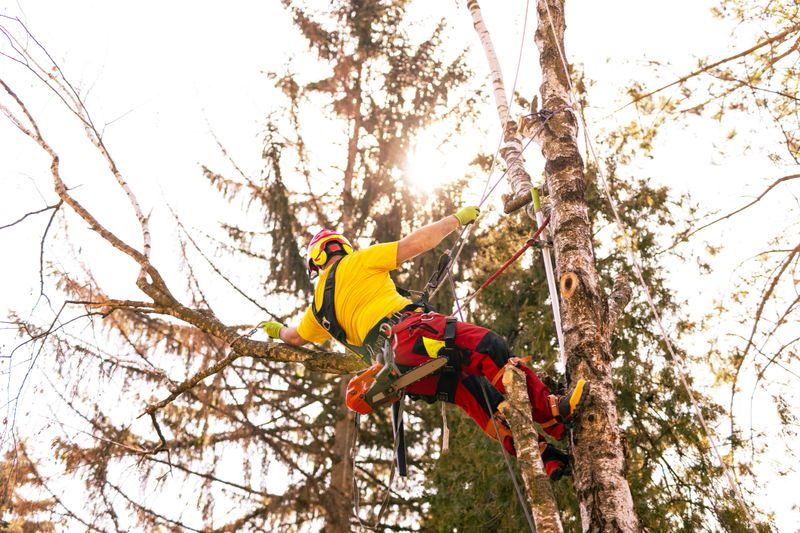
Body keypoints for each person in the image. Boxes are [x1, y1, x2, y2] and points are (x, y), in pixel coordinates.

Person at [262, 207, 589, 480]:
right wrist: (455, 221)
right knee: (490, 348)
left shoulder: (317, 311)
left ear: (316, 262)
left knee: (480, 399)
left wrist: (276, 330)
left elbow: (294, 338)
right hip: (412, 335)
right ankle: (550, 412)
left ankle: (549, 460)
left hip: (403, 374)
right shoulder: (358, 261)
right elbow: (413, 244)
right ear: (341, 248)